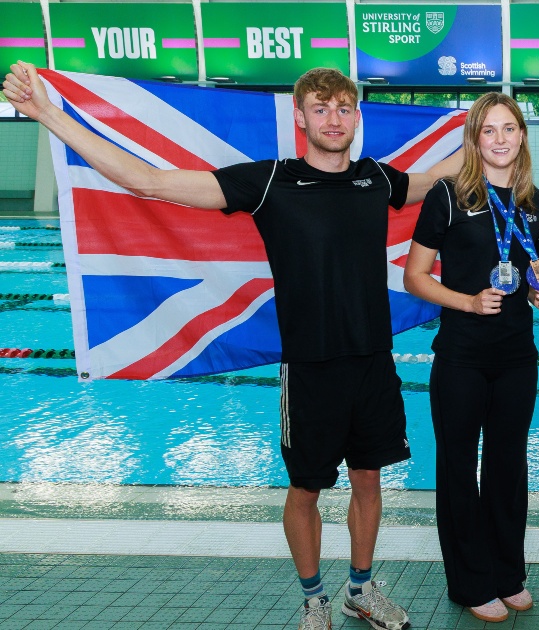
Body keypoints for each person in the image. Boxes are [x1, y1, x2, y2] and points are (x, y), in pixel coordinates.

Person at [3, 62, 463, 630]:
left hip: (372, 361)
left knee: (369, 479)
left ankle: (361, 590)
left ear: (357, 115)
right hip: (310, 368)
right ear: (301, 117)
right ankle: (314, 597)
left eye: (344, 108)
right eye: (321, 108)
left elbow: (439, 174)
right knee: (306, 488)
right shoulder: (269, 182)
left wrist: (495, 118)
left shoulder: (376, 179)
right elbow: (147, 180)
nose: (334, 118)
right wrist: (48, 113)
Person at [403, 93, 539, 623]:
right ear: (475, 139)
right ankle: (470, 582)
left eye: (509, 129)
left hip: (517, 355)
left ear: (521, 136)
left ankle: (507, 573)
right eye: (488, 130)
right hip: (463, 357)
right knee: (457, 468)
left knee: (508, 468)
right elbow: (415, 277)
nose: (499, 139)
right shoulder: (447, 196)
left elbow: (537, 269)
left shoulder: (535, 201)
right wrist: (467, 300)